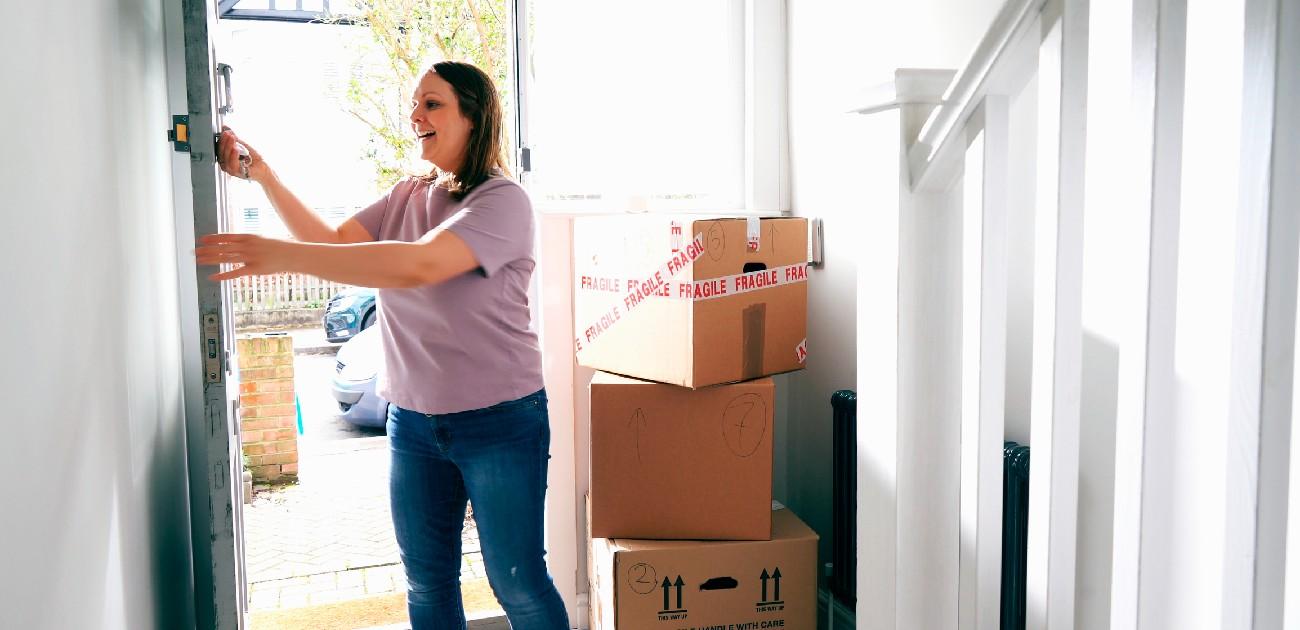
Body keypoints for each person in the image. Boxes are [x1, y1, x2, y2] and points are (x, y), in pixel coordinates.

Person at [197, 60, 570, 630]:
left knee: (516, 582)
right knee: (426, 584)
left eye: (433, 103)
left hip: (500, 420)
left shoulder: (503, 201)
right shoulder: (407, 194)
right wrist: (264, 174)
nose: (415, 114)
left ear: (474, 116)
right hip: (414, 423)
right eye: (415, 103)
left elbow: (418, 264)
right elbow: (329, 241)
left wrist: (282, 255)